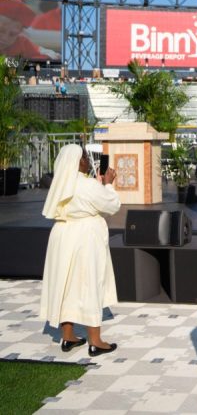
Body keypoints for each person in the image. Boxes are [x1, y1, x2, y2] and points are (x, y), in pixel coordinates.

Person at [39, 145, 121, 357]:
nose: (87, 160)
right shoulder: (86, 185)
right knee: (89, 282)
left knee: (65, 283)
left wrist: (98, 185)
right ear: (77, 161)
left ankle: (68, 336)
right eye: (84, 157)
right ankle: (95, 340)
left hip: (62, 234)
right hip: (85, 236)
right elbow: (111, 205)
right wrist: (109, 185)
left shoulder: (61, 184)